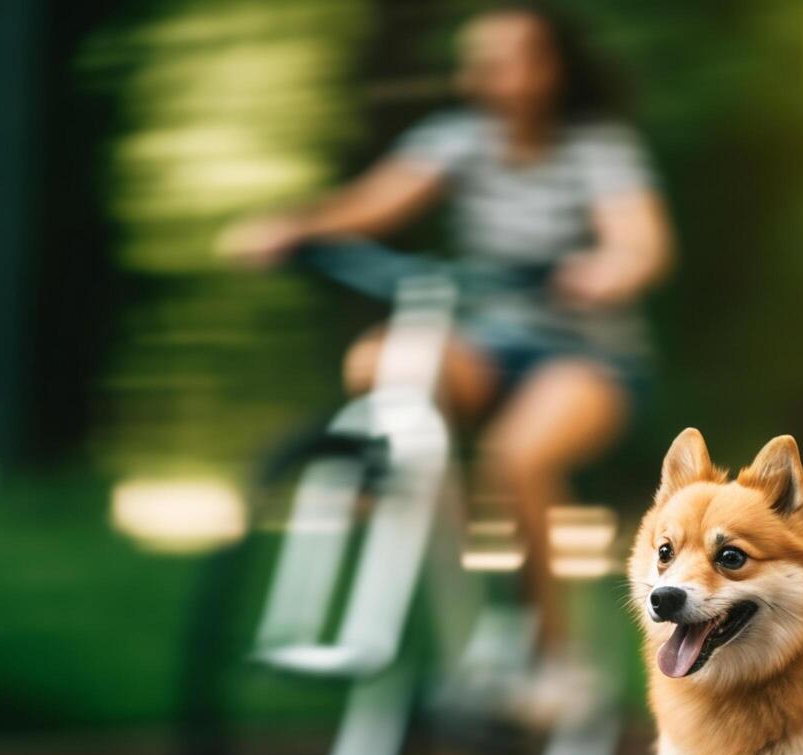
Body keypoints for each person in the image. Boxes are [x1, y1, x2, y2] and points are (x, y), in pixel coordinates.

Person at [218, 3, 674, 682]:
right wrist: (295, 227)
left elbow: (642, 241)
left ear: (548, 68)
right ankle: (411, 524)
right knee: (381, 361)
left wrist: (613, 268)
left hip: (587, 357)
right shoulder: (458, 138)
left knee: (517, 460)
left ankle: (555, 660)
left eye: (504, 57)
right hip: (489, 343)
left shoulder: (596, 147)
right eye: (476, 60)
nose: (483, 74)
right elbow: (374, 202)